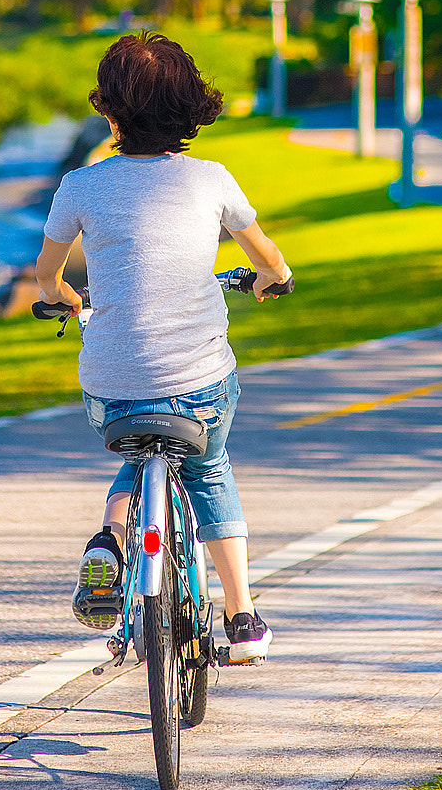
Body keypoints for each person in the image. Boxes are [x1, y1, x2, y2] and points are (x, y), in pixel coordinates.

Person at [34, 33, 293, 664]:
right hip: (200, 382)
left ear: (109, 111)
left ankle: (111, 544)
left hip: (111, 382)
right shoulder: (212, 180)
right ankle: (242, 616)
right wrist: (272, 280)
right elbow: (269, 259)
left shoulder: (80, 187)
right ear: (190, 108)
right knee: (207, 467)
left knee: (134, 451)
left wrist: (67, 297)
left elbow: (46, 277)